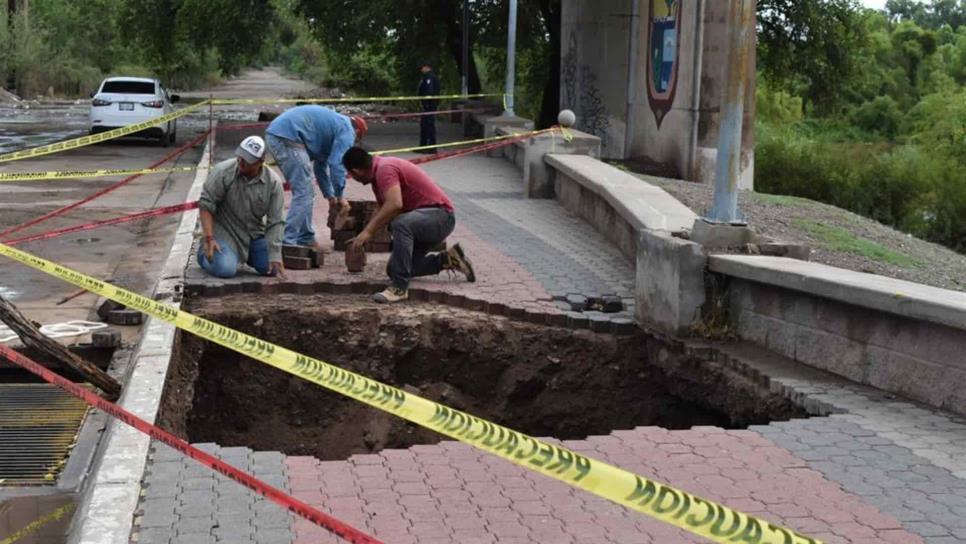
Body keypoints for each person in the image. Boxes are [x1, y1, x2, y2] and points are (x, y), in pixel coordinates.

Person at [342, 146, 475, 303]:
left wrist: (368, 232)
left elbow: (394, 204)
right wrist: (363, 235)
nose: (350, 177)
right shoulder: (378, 174)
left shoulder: (385, 169)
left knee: (401, 224)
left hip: (440, 216)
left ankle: (399, 288)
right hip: (425, 223)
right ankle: (448, 260)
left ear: (356, 171)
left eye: (350, 173)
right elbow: (382, 209)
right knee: (394, 269)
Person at [265, 105, 368, 248]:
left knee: (306, 192)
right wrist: (340, 196)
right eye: (355, 141)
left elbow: (321, 167)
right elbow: (337, 165)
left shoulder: (332, 128)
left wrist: (330, 196)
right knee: (304, 193)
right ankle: (288, 241)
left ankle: (305, 237)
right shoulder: (347, 130)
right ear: (357, 131)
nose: (352, 144)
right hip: (287, 137)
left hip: (280, 135)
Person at [197, 136, 285, 279]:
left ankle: (245, 256)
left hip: (253, 235)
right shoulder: (223, 172)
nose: (241, 162)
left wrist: (275, 254)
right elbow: (206, 205)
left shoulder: (273, 183)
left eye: (248, 160)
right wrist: (209, 238)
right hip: (224, 232)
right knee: (226, 269)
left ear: (261, 162)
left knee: (271, 269)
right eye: (241, 156)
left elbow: (276, 221)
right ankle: (203, 254)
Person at [417, 61, 440, 153]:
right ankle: (423, 146)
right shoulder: (427, 76)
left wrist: (426, 103)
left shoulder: (430, 77)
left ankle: (431, 147)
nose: (421, 69)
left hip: (429, 106)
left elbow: (429, 91)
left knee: (429, 126)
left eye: (422, 67)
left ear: (427, 67)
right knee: (424, 125)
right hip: (427, 105)